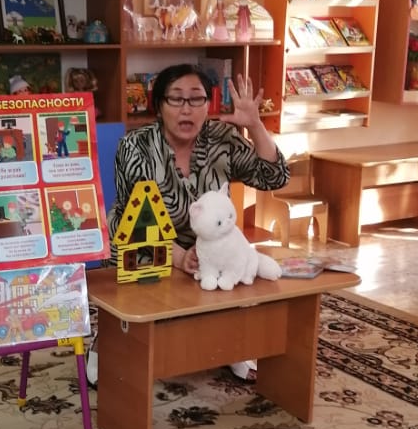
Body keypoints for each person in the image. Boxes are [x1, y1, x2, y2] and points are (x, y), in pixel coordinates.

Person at [89, 63, 289, 385]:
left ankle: (230, 342)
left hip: (208, 239)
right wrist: (180, 257)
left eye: (196, 99)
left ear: (208, 104)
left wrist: (255, 125)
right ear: (159, 106)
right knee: (125, 252)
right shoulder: (136, 146)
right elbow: (135, 218)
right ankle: (109, 336)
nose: (187, 109)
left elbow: (274, 177)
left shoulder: (222, 138)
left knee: (232, 256)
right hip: (145, 237)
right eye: (176, 99)